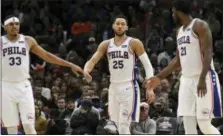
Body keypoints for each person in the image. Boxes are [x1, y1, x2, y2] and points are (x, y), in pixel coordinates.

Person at [1, 15, 88, 135]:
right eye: (11, 24)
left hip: (23, 86)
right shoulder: (1, 42)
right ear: (5, 27)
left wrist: (69, 64)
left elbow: (47, 55)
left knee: (29, 127)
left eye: (17, 24)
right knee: (11, 129)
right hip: (5, 86)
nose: (15, 26)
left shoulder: (27, 40)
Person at [145, 0, 222, 134]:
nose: (172, 15)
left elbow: (208, 53)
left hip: (203, 77)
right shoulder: (179, 32)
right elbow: (177, 61)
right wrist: (158, 77)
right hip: (186, 80)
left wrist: (202, 79)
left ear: (178, 11)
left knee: (204, 124)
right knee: (188, 125)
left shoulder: (200, 26)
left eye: (173, 12)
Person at [84, 15, 155, 134]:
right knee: (117, 125)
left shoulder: (134, 43)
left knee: (123, 124)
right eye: (118, 24)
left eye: (123, 24)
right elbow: (93, 60)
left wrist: (150, 87)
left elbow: (147, 65)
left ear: (127, 27)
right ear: (113, 26)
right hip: (113, 87)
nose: (120, 26)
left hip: (129, 87)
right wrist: (86, 70)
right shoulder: (106, 44)